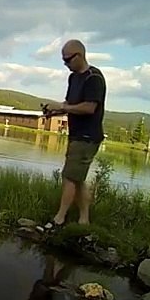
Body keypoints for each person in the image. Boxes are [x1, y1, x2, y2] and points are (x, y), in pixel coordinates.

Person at [39, 39, 106, 231]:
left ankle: (59, 220)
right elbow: (70, 104)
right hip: (76, 135)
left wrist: (62, 107)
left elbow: (89, 108)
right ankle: (84, 220)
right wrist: (54, 111)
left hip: (87, 137)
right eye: (63, 60)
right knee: (78, 178)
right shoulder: (73, 78)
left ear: (80, 55)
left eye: (68, 60)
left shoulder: (94, 78)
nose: (65, 64)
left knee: (69, 176)